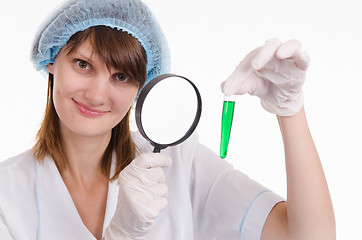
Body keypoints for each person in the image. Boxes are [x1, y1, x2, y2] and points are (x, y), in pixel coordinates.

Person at [0, 0, 336, 239]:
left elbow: (311, 236)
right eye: (83, 65)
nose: (97, 94)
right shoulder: (6, 194)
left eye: (121, 76)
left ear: (141, 86)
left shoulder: (177, 162)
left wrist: (290, 110)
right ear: (51, 59)